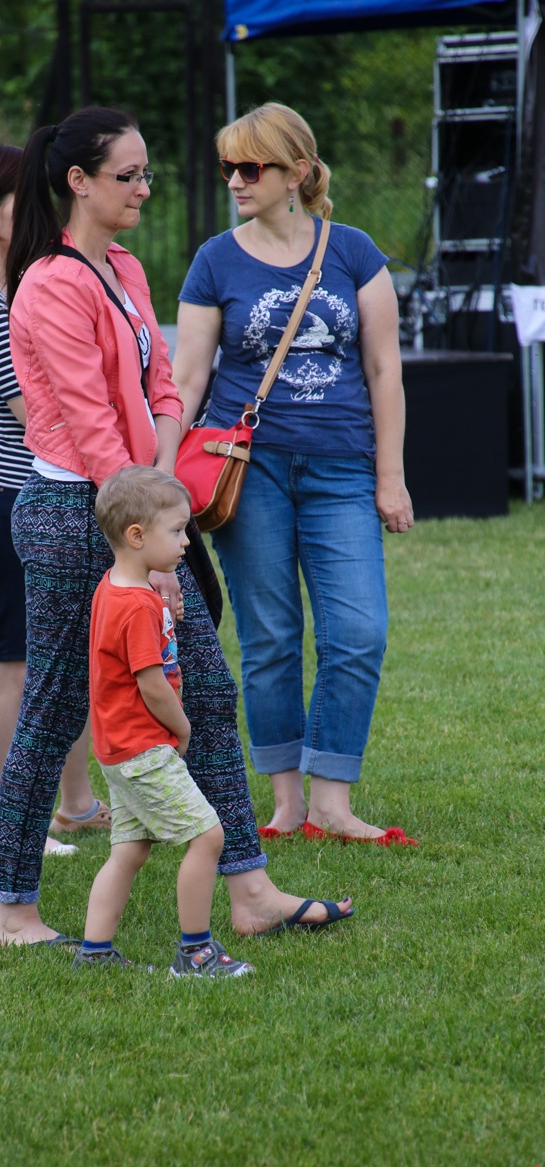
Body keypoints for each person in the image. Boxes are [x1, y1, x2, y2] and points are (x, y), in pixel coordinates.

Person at [0, 105, 352, 946]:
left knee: (210, 694)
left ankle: (250, 893)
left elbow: (162, 390)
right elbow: (89, 427)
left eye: (147, 173)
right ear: (78, 182)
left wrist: (160, 496)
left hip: (136, 512)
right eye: (129, 175)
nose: (145, 188)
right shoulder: (50, 282)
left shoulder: (123, 267)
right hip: (76, 516)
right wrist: (150, 530)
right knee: (54, 709)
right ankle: (14, 910)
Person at [172, 103, 418, 847]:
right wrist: (158, 475)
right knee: (272, 635)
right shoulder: (215, 259)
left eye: (252, 167)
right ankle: (286, 804)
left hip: (342, 466)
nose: (235, 181)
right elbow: (187, 379)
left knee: (359, 631)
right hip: (248, 471)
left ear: (298, 173)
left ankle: (332, 803)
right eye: (228, 167)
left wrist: (390, 476)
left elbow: (384, 369)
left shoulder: (354, 252)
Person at [0, 142, 111, 859]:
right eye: (27, 201)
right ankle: (0, 825)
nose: (45, 213)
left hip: (17, 491)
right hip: (3, 493)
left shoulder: (2, 283)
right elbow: (34, 408)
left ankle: (75, 806)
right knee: (11, 664)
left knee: (56, 660)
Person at [75, 466, 269, 975]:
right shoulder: (137, 605)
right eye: (178, 531)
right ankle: (196, 953)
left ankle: (94, 953)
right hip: (144, 749)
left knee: (129, 850)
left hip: (118, 750)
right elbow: (152, 684)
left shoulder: (112, 588)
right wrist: (182, 729)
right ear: (137, 536)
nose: (186, 542)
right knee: (208, 837)